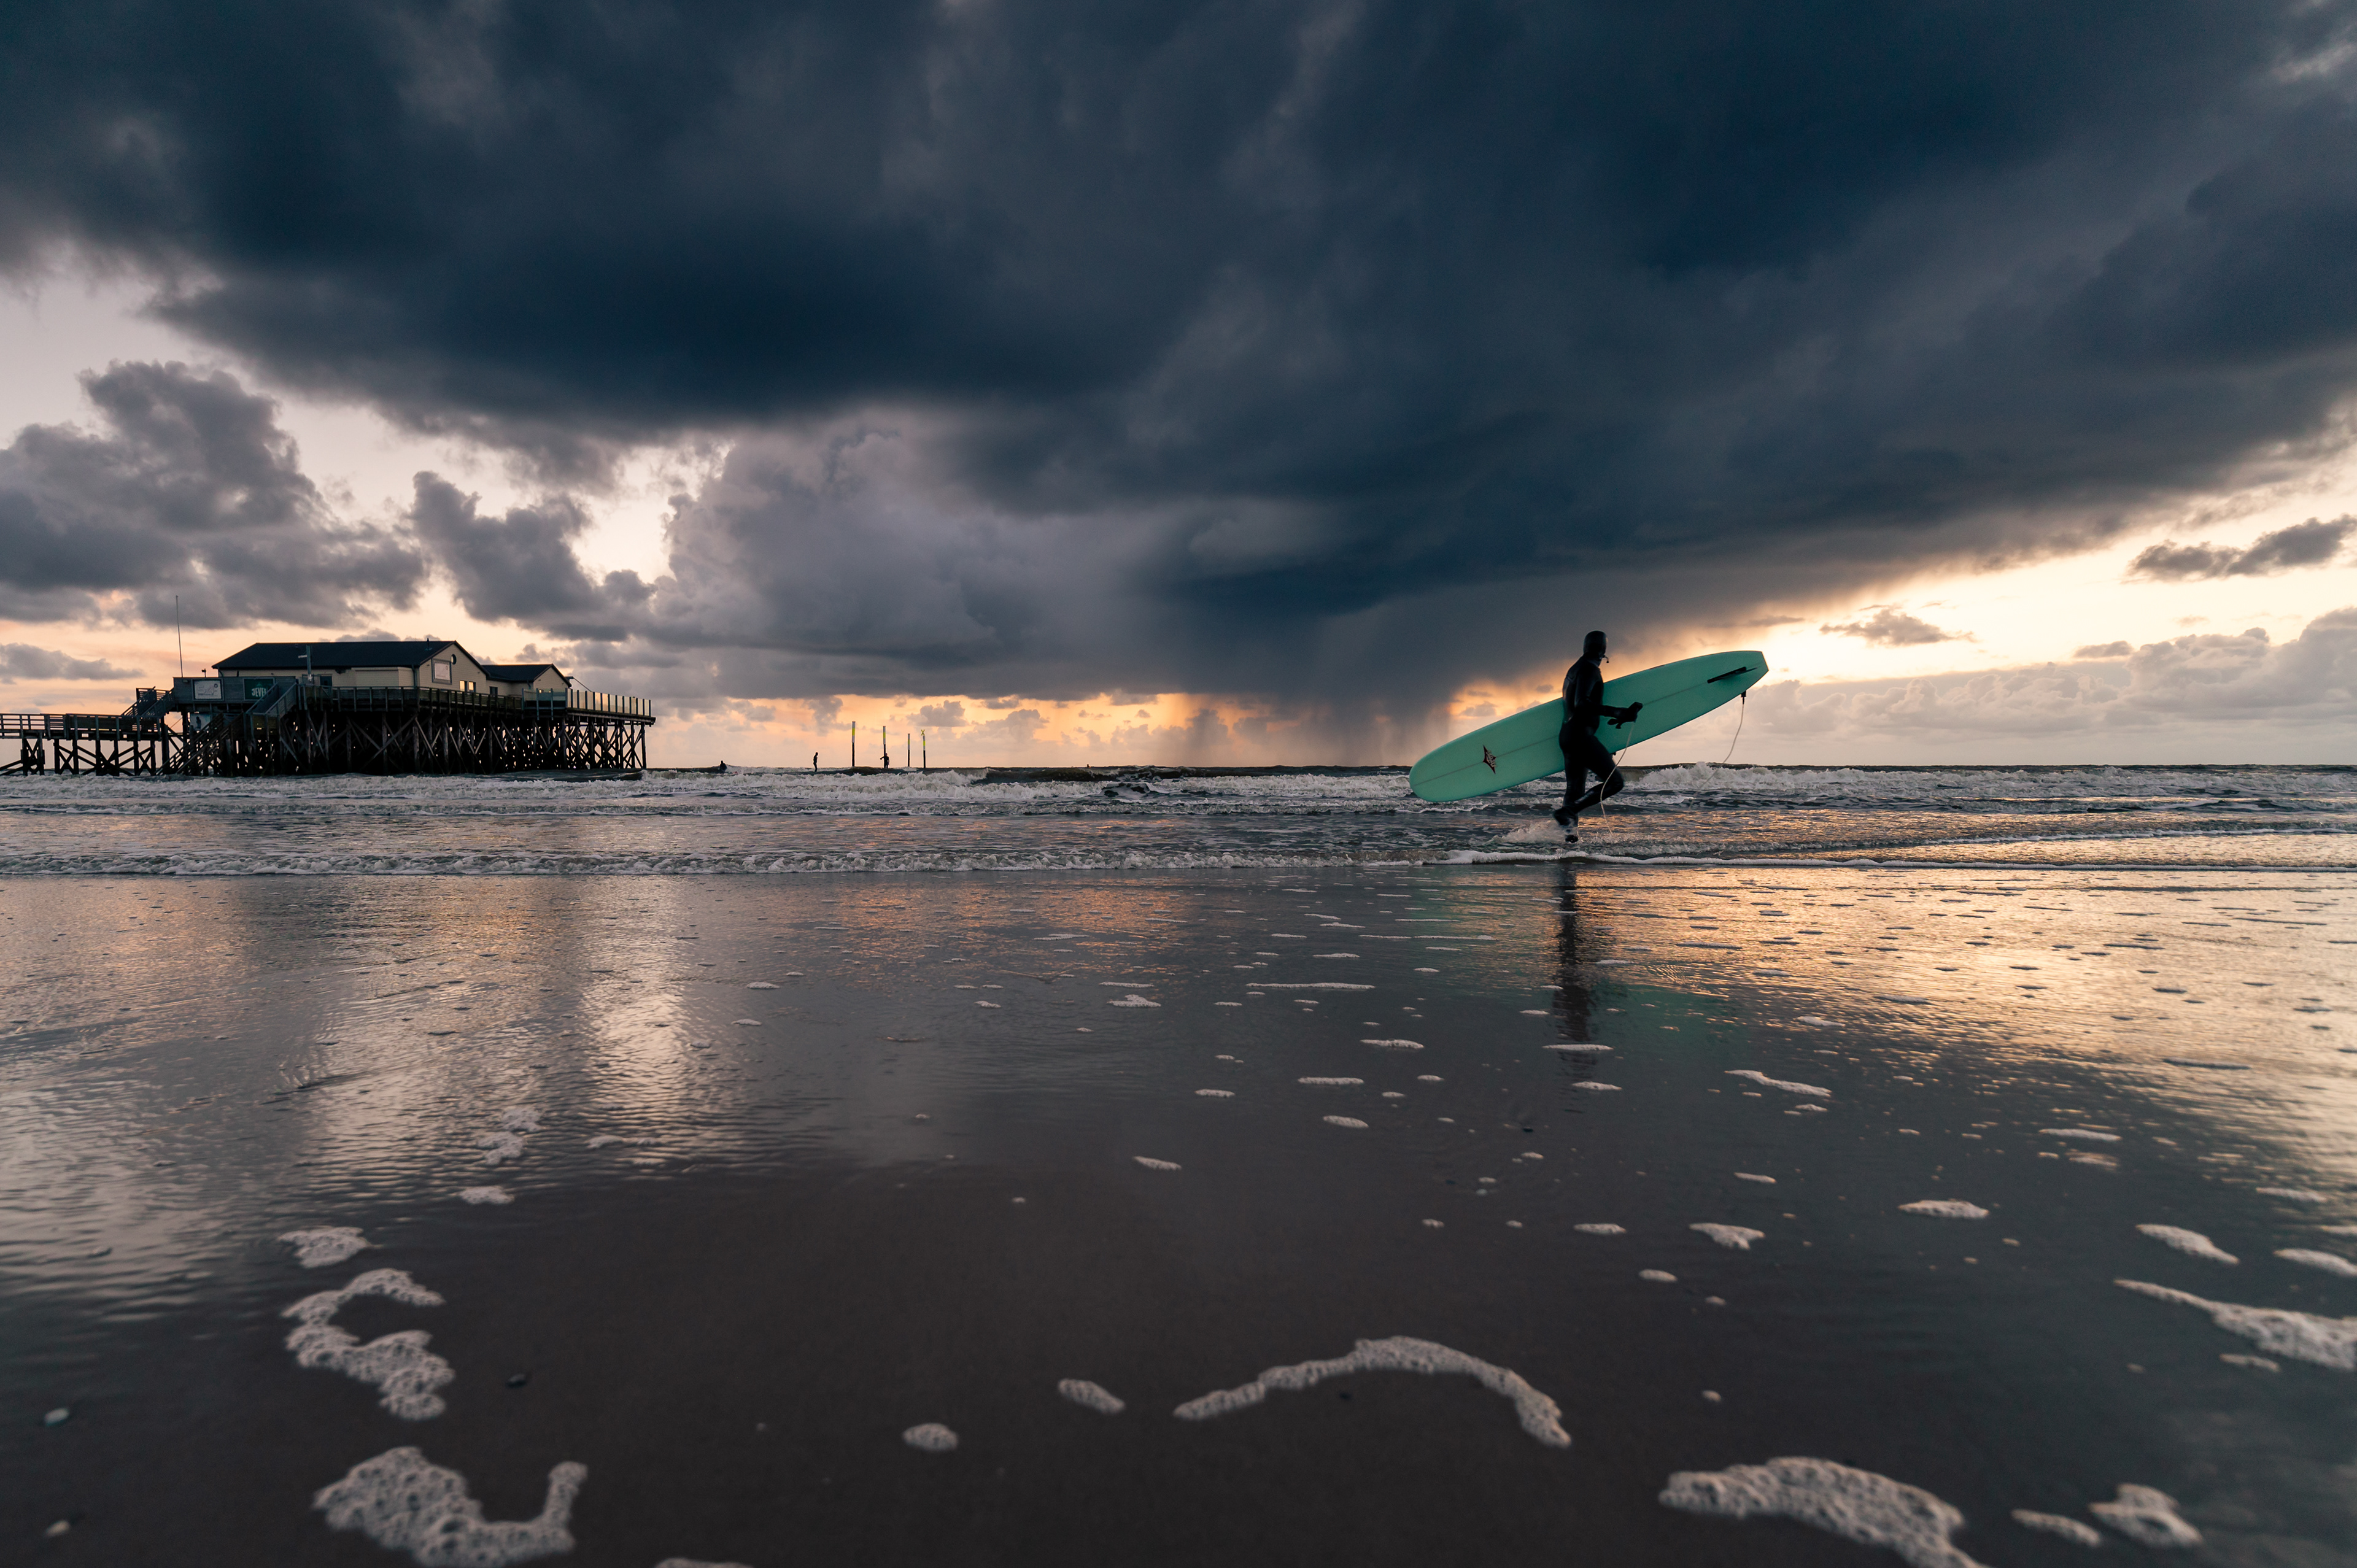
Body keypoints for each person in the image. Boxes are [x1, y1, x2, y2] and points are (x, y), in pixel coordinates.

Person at [1554, 630, 1641, 836]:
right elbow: (1581, 703)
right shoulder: (1590, 669)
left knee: (1575, 789)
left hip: (1568, 735)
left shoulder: (1574, 670)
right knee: (1615, 783)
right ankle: (1569, 811)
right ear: (1604, 652)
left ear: (1585, 648)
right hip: (1580, 737)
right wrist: (1618, 712)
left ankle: (1570, 841)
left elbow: (1577, 705)